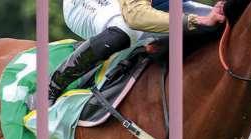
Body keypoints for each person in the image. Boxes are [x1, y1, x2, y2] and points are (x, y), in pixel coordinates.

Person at [49, 0, 225, 105]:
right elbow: (135, 16)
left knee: (223, 23)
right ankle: (54, 85)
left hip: (157, 3)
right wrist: (195, 20)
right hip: (90, 4)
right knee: (127, 30)